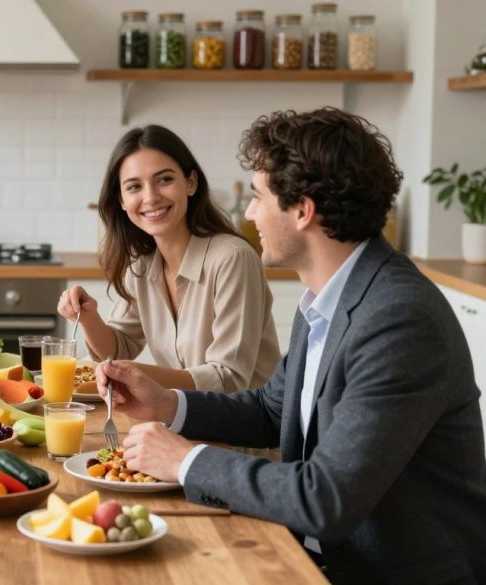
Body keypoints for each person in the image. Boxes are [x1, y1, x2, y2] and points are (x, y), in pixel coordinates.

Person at [99, 108, 486, 583]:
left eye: (258, 196)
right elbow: (269, 409)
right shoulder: (326, 298)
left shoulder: (398, 319)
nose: (248, 213)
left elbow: (326, 498)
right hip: (318, 554)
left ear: (302, 209)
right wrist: (168, 404)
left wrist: (184, 460)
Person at [59, 125, 280, 393]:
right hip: (186, 419)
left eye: (164, 180)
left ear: (191, 183)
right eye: (134, 186)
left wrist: (135, 374)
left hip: (248, 427)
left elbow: (228, 377)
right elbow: (118, 349)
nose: (150, 197)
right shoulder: (141, 265)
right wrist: (89, 317)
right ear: (121, 200)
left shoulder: (233, 259)